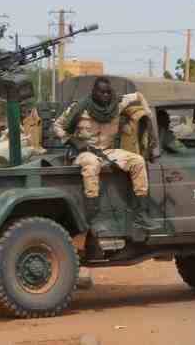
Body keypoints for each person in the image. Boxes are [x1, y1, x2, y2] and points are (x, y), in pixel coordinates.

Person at [53, 77, 161, 231]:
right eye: (101, 92)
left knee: (137, 161)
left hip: (108, 150)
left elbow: (138, 95)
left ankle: (141, 214)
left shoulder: (117, 104)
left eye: (107, 92)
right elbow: (57, 126)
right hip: (84, 151)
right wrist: (72, 141)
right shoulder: (79, 107)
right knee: (92, 165)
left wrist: (148, 115)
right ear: (94, 92)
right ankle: (93, 217)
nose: (105, 95)